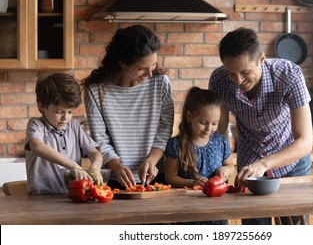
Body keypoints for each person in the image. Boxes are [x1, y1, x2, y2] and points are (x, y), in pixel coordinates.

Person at [209, 27, 313, 225]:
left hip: (291, 160)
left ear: (262, 59)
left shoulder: (290, 74)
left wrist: (264, 164)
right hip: (249, 162)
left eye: (245, 72)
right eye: (231, 73)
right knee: (255, 230)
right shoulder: (219, 80)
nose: (238, 81)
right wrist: (215, 165)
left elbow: (305, 141)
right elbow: (219, 132)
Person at [81, 25, 174, 189]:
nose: (150, 74)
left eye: (153, 65)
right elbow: (101, 139)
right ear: (123, 63)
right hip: (116, 180)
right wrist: (117, 167)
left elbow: (165, 128)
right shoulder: (96, 91)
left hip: (157, 177)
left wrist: (152, 160)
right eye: (141, 69)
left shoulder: (161, 83)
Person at [164, 86, 235, 225]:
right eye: (203, 122)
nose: (209, 129)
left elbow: (230, 166)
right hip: (187, 208)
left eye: (214, 123)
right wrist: (193, 183)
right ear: (190, 117)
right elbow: (170, 177)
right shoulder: (176, 144)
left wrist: (225, 170)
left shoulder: (220, 141)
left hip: (217, 209)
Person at [25, 73, 104, 195]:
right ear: (41, 106)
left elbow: (94, 153)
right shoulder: (36, 124)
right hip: (41, 198)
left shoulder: (74, 126)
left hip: (72, 196)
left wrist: (95, 168)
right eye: (59, 111)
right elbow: (37, 146)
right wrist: (73, 165)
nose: (65, 118)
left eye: (70, 112)